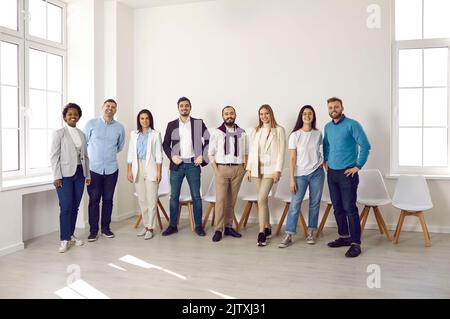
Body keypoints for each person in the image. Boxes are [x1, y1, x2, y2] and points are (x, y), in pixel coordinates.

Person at [323, 97, 371, 258]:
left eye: (336, 106)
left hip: (347, 173)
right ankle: (344, 237)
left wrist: (358, 166)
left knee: (349, 208)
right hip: (332, 173)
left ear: (342, 108)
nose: (333, 109)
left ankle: (355, 243)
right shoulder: (328, 127)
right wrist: (326, 160)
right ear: (328, 110)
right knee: (337, 207)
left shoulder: (352, 124)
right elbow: (327, 145)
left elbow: (365, 145)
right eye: (330, 107)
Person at [161, 97, 209, 236]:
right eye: (181, 106)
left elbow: (208, 140)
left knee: (196, 196)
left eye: (186, 106)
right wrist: (172, 156)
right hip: (177, 165)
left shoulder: (198, 123)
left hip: (193, 164)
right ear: (178, 108)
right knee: (174, 196)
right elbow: (165, 144)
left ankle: (198, 226)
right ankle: (172, 225)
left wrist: (202, 156)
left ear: (190, 107)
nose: (184, 108)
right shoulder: (171, 124)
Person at [278, 105, 324, 248]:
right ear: (301, 116)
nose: (307, 116)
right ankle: (289, 234)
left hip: (317, 172)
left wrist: (323, 164)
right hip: (300, 175)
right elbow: (292, 159)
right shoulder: (295, 135)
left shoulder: (318, 134)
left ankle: (311, 232)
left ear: (313, 116)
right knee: (295, 204)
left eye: (310, 114)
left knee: (314, 203)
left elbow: (323, 151)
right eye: (304, 114)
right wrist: (292, 178)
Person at [50, 103, 91, 253]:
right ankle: (64, 239)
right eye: (70, 114)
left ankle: (71, 235)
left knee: (75, 206)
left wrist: (88, 175)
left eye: (76, 114)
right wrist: (57, 176)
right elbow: (54, 157)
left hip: (80, 174)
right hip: (64, 176)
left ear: (79, 117)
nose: (73, 116)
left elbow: (85, 156)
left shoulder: (82, 134)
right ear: (65, 116)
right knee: (66, 207)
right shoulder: (59, 133)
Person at [84, 99, 125, 242]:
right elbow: (84, 144)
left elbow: (119, 147)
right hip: (93, 169)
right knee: (94, 199)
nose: (110, 108)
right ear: (102, 107)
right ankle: (93, 231)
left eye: (113, 107)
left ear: (116, 110)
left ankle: (106, 228)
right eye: (108, 106)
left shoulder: (120, 128)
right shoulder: (91, 124)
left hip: (112, 169)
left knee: (108, 200)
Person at [246, 104, 286, 247]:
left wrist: (278, 171)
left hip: (270, 170)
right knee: (263, 201)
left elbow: (282, 152)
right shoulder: (257, 131)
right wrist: (249, 169)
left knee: (261, 199)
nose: (264, 116)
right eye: (261, 114)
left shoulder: (279, 130)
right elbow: (252, 151)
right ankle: (268, 227)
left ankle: (261, 232)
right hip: (257, 170)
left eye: (266, 113)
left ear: (271, 114)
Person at [208, 106, 248, 242]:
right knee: (220, 200)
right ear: (222, 116)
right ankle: (219, 229)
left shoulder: (242, 133)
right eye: (226, 114)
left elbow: (246, 152)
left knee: (232, 200)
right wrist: (216, 169)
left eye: (231, 113)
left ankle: (229, 226)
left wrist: (244, 168)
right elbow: (210, 153)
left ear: (235, 115)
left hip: (238, 169)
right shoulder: (217, 133)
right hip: (222, 169)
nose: (229, 116)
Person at [127, 109, 163, 240]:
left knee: (151, 199)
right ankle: (146, 225)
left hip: (151, 168)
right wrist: (129, 170)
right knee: (142, 200)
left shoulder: (155, 134)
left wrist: (159, 172)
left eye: (147, 118)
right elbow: (131, 153)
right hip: (137, 167)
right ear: (139, 120)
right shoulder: (133, 134)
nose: (144, 121)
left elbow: (159, 155)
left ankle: (151, 228)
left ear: (150, 119)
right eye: (142, 118)